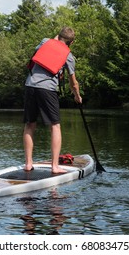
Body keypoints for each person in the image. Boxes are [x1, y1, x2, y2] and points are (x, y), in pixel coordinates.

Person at [23, 27, 82, 174]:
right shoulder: (68, 56)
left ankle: (28, 164)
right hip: (47, 89)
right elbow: (73, 82)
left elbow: (49, 45)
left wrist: (56, 38)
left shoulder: (44, 41)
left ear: (58, 36)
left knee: (30, 124)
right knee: (55, 127)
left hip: (29, 86)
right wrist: (77, 96)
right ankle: (55, 167)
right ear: (72, 42)